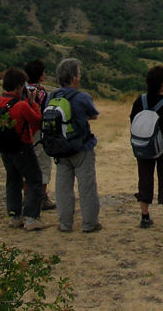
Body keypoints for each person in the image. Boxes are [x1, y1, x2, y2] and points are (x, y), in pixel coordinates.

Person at [47, 58, 101, 233]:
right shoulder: (82, 97)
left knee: (63, 187)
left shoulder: (51, 97)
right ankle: (89, 224)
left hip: (59, 148)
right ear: (74, 78)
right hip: (81, 147)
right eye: (79, 73)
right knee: (86, 186)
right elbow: (94, 115)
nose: (81, 75)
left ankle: (65, 224)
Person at [0, 67, 46, 231]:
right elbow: (37, 121)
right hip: (22, 146)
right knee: (35, 180)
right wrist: (34, 103)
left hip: (4, 148)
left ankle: (15, 216)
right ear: (18, 86)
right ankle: (31, 218)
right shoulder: (21, 106)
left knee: (13, 181)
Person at [131, 65, 163, 229]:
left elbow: (133, 121)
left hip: (143, 145)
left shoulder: (140, 101)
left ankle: (145, 216)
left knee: (144, 178)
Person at [24, 59, 56, 211]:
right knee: (43, 163)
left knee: (26, 163)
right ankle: (42, 198)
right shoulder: (41, 92)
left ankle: (26, 195)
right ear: (40, 75)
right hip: (38, 130)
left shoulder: (22, 89)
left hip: (24, 130)